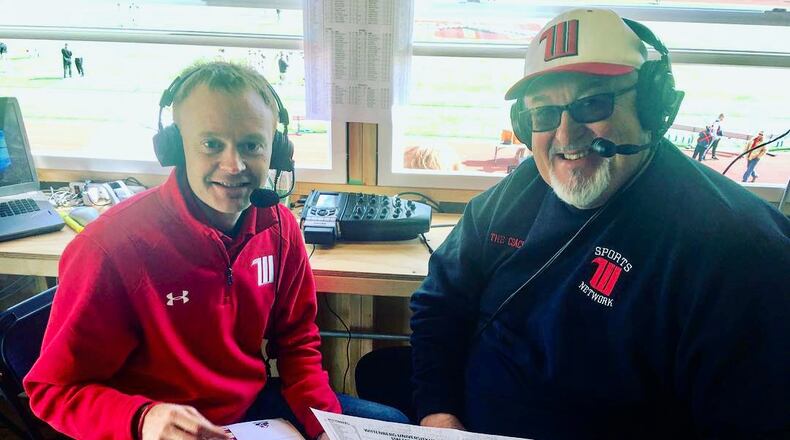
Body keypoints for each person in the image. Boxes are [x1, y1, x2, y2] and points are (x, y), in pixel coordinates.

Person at [410, 8, 789, 440]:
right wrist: (437, 413)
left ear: (652, 105)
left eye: (592, 103)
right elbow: (440, 302)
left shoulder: (740, 255)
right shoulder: (522, 188)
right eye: (545, 114)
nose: (567, 135)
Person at [24, 62, 407, 440]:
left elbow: (296, 340)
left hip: (252, 411)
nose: (234, 164)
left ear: (276, 151)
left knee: (393, 423)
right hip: (155, 426)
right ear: (176, 147)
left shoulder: (279, 226)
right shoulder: (109, 248)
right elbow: (53, 392)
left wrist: (323, 426)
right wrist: (143, 420)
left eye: (251, 145)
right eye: (211, 144)